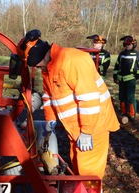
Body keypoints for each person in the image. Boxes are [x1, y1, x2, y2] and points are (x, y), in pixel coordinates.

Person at [14, 29, 120, 190]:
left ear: (40, 55)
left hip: (94, 127)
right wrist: (50, 119)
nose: (35, 66)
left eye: (34, 63)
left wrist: (86, 132)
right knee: (77, 167)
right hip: (75, 128)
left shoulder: (72, 60)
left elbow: (89, 98)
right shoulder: (49, 67)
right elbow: (48, 96)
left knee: (88, 174)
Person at [113, 35, 139, 123]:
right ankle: (123, 112)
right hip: (121, 79)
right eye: (126, 44)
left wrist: (136, 76)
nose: (127, 46)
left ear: (133, 44)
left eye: (129, 44)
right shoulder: (122, 54)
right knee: (122, 97)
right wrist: (115, 76)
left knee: (130, 97)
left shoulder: (137, 54)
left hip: (131, 79)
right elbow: (117, 65)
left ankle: (132, 114)